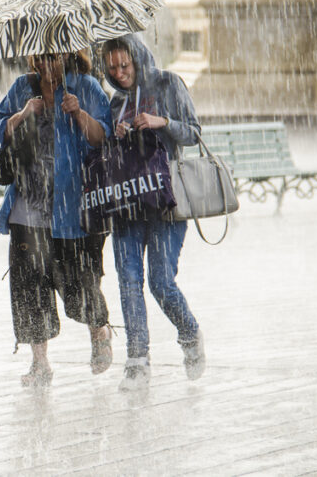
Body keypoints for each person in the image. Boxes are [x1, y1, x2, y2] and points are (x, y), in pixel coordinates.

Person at [0, 50, 114, 387]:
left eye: (53, 57)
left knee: (80, 282)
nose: (45, 64)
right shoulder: (22, 88)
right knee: (29, 287)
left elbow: (106, 138)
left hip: (72, 208)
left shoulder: (84, 86)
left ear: (67, 55)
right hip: (27, 206)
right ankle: (40, 363)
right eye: (40, 57)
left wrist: (79, 114)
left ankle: (99, 333)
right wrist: (23, 114)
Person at [100, 34, 206, 391]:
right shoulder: (115, 102)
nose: (119, 73)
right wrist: (117, 135)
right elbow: (111, 154)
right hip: (128, 203)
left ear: (137, 58)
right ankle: (137, 360)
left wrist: (162, 123)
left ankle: (189, 333)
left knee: (161, 282)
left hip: (166, 202)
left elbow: (193, 132)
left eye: (124, 66)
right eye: (112, 68)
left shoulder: (168, 83)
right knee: (129, 281)